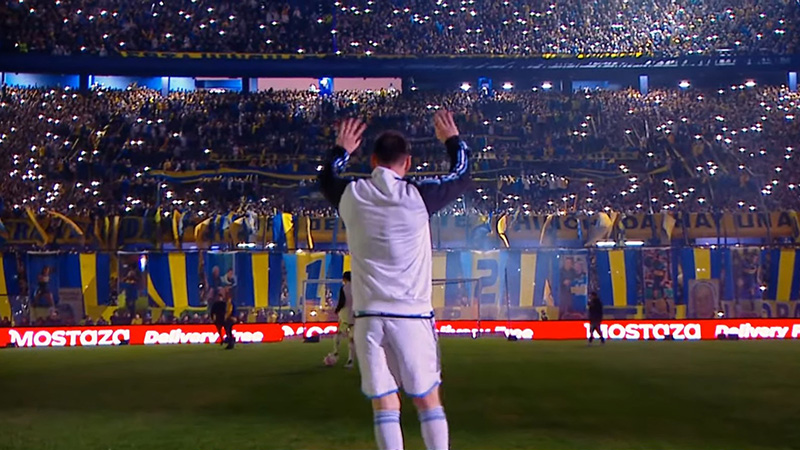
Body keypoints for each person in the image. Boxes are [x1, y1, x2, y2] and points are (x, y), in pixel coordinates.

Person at [319, 110, 471, 450]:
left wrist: (341, 149)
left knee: (385, 404)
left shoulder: (352, 195)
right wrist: (452, 141)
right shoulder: (418, 196)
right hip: (411, 317)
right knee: (428, 399)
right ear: (408, 163)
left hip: (369, 318)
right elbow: (461, 175)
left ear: (373, 160)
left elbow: (326, 177)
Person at [333, 271, 355, 368]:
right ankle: (350, 360)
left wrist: (336, 310)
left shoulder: (344, 288)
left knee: (338, 334)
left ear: (344, 279)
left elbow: (342, 302)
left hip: (345, 315)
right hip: (355, 316)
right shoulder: (357, 288)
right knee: (351, 339)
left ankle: (335, 352)